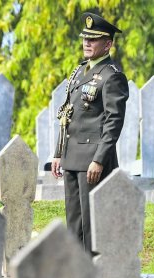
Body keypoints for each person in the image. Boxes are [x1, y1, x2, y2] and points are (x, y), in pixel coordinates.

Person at [51, 12, 129, 253]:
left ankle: (95, 276)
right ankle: (77, 275)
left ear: (108, 44)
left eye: (93, 39)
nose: (87, 43)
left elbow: (113, 121)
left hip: (93, 160)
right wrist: (58, 152)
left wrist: (99, 159)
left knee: (92, 224)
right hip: (72, 157)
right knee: (74, 223)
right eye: (85, 38)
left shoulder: (111, 76)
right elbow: (67, 115)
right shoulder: (79, 71)